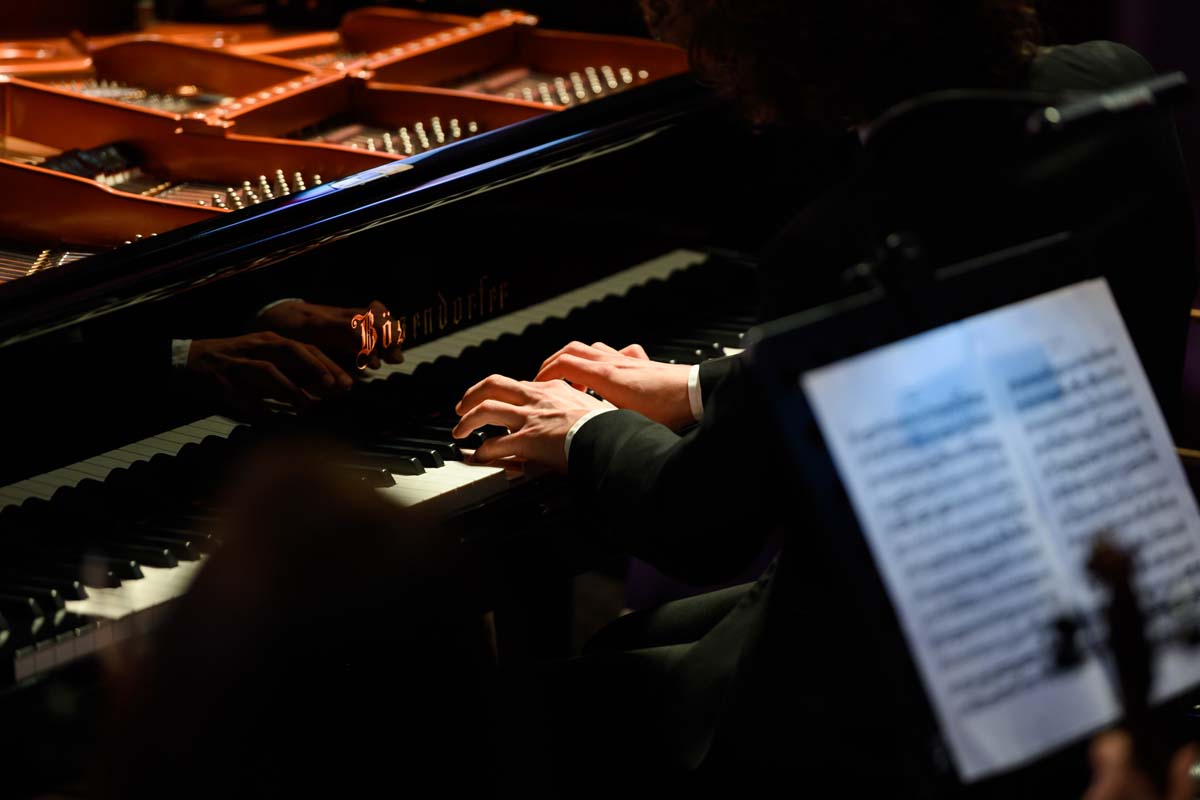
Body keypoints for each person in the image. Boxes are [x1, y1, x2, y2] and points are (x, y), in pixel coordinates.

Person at [452, 0, 1198, 790]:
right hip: (1114, 610)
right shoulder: (1110, 91)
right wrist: (700, 385)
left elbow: (701, 524)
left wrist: (584, 429)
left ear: (773, 44)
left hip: (900, 696)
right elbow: (946, 330)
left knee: (492, 731)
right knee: (624, 643)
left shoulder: (847, 236)